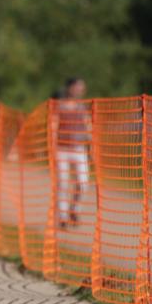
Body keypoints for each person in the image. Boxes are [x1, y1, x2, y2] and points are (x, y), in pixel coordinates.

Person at [54, 77, 91, 229]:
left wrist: (92, 146)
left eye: (81, 87)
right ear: (69, 88)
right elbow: (53, 125)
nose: (80, 90)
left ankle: (74, 210)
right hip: (62, 149)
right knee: (62, 182)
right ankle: (62, 217)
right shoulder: (59, 106)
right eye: (77, 87)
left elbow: (88, 127)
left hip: (79, 149)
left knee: (83, 183)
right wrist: (52, 146)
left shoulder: (82, 107)